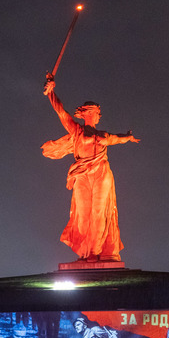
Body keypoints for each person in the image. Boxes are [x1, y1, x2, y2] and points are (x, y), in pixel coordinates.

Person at [42, 75, 139, 262]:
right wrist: (51, 92)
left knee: (99, 213)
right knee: (83, 215)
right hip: (82, 174)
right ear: (87, 113)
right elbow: (61, 113)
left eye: (98, 113)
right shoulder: (77, 132)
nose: (98, 115)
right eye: (96, 112)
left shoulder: (102, 135)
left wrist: (128, 137)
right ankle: (85, 253)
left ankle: (95, 252)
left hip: (101, 173)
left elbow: (116, 138)